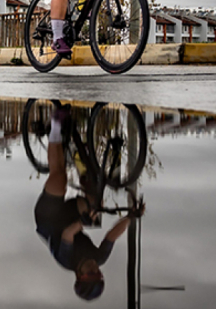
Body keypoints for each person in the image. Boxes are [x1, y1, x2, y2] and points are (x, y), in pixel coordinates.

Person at [34, 103, 143, 301]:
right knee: (95, 203)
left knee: (59, 178)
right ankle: (83, 165)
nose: (94, 268)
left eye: (90, 273)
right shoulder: (99, 258)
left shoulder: (66, 260)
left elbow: (68, 234)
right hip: (72, 218)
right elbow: (111, 236)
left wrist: (82, 222)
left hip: (48, 219)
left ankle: (56, 125)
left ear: (78, 274)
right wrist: (131, 217)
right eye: (98, 273)